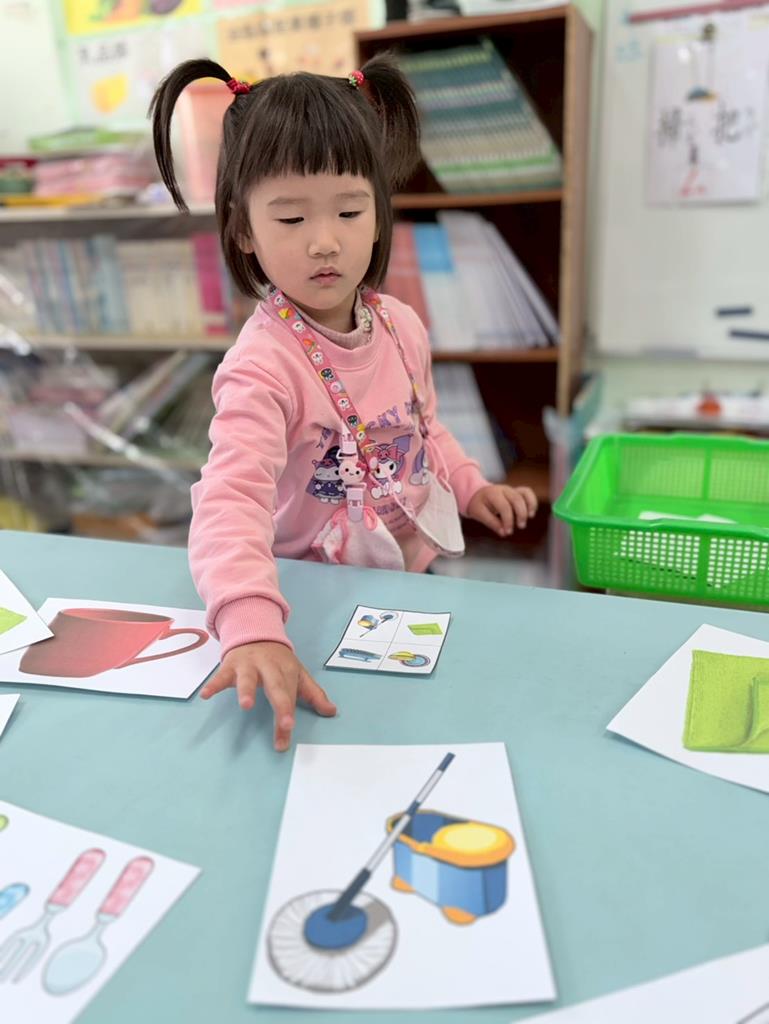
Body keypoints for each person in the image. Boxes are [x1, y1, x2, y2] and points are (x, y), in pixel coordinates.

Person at [149, 55, 537, 750]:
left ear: (380, 216)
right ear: (243, 230)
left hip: (401, 576)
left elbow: (422, 429)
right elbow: (230, 500)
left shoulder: (400, 324)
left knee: (413, 730)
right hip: (307, 598)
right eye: (291, 216)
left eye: (350, 211)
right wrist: (251, 625)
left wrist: (471, 486)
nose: (324, 241)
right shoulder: (262, 365)